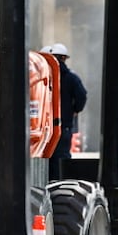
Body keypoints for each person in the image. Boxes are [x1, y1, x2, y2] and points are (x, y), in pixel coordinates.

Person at [42, 43, 87, 180]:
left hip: (41, 126)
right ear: (63, 58)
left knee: (42, 159)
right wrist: (74, 110)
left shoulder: (38, 76)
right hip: (63, 125)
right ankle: (60, 187)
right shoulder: (71, 78)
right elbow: (81, 96)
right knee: (61, 159)